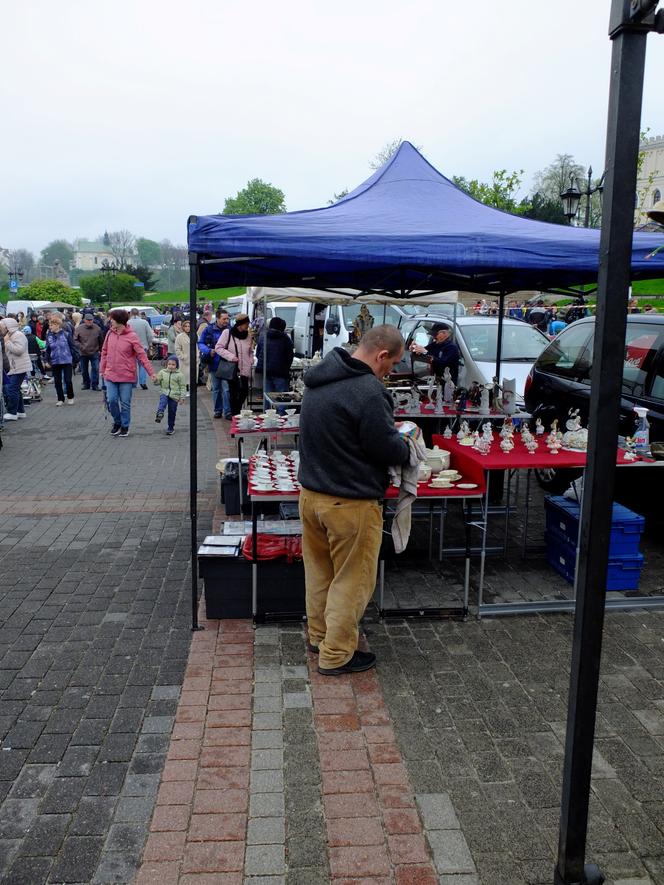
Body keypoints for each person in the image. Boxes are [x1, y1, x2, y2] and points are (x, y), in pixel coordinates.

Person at [298, 325, 411, 676]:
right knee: (352, 580)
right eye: (392, 364)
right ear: (381, 355)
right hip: (351, 503)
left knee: (320, 574)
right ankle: (336, 654)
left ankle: (320, 638)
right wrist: (405, 443)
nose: (390, 372)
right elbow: (384, 446)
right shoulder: (368, 390)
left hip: (312, 496)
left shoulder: (318, 380)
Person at [100, 308, 156, 438]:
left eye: (112, 319)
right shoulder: (109, 334)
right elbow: (104, 352)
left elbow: (142, 356)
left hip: (126, 376)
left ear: (120, 320)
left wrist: (151, 373)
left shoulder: (132, 336)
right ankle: (117, 422)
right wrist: (102, 370)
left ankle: (125, 426)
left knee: (125, 403)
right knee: (111, 400)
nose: (110, 321)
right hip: (110, 374)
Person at [215, 313, 254, 416]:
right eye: (246, 324)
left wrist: (251, 360)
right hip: (233, 369)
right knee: (233, 393)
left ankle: (236, 411)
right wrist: (231, 357)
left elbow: (250, 351)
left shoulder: (248, 335)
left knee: (244, 392)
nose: (248, 326)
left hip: (245, 369)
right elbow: (218, 348)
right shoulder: (228, 333)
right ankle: (235, 415)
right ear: (240, 324)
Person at [255, 316, 294, 412]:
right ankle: (282, 418)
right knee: (282, 397)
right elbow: (290, 355)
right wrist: (286, 367)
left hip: (266, 371)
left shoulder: (263, 336)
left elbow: (258, 353)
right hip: (281, 372)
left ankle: (267, 416)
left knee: (267, 396)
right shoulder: (285, 338)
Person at [200, 309, 232, 418]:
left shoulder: (230, 330)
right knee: (216, 389)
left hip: (227, 364)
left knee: (226, 389)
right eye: (224, 319)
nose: (226, 321)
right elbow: (200, 343)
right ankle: (218, 410)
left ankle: (227, 411)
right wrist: (209, 351)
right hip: (214, 363)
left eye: (227, 318)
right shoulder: (209, 329)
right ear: (217, 318)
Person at [0, 318, 31, 420]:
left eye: (2, 326)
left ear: (8, 327)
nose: (1, 329)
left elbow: (19, 350)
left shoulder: (17, 335)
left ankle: (12, 412)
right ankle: (20, 411)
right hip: (15, 367)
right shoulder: (10, 335)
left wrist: (8, 342)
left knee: (11, 389)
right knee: (16, 389)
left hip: (19, 367)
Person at [44, 313, 78, 405]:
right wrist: (46, 361)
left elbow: (72, 347)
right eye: (50, 325)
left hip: (66, 360)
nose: (50, 327)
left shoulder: (66, 334)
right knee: (57, 381)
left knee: (68, 380)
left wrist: (75, 359)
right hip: (55, 361)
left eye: (52, 325)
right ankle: (60, 399)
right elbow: (47, 349)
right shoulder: (49, 336)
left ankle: (70, 397)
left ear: (57, 325)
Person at [153, 355, 187, 435]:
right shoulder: (162, 372)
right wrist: (155, 380)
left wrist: (182, 397)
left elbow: (183, 387)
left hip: (174, 396)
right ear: (166, 364)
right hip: (164, 392)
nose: (171, 366)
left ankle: (170, 427)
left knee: (172, 411)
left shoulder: (180, 375)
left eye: (173, 364)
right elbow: (157, 383)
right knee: (163, 402)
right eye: (169, 364)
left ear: (177, 365)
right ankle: (160, 413)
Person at [74, 313, 104, 390]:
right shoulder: (79, 329)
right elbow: (75, 340)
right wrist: (81, 347)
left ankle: (95, 385)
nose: (90, 321)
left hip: (95, 352)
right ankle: (86, 384)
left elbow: (101, 340)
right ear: (84, 320)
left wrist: (101, 350)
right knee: (84, 370)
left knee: (96, 368)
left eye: (91, 320)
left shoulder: (97, 328)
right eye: (88, 320)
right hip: (83, 352)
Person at [128, 308, 154, 389]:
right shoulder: (144, 322)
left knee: (132, 365)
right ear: (139, 314)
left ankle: (133, 382)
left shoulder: (127, 323)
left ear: (131, 314)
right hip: (143, 346)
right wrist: (149, 343)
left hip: (130, 347)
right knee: (143, 364)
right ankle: (142, 382)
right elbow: (150, 335)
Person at [174, 319, 199, 393]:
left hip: (195, 359)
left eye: (189, 326)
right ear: (183, 327)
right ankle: (184, 391)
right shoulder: (179, 337)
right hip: (185, 360)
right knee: (185, 377)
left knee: (193, 377)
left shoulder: (196, 335)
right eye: (186, 326)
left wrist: (198, 356)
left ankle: (192, 391)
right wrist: (182, 357)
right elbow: (177, 349)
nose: (188, 328)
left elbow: (199, 346)